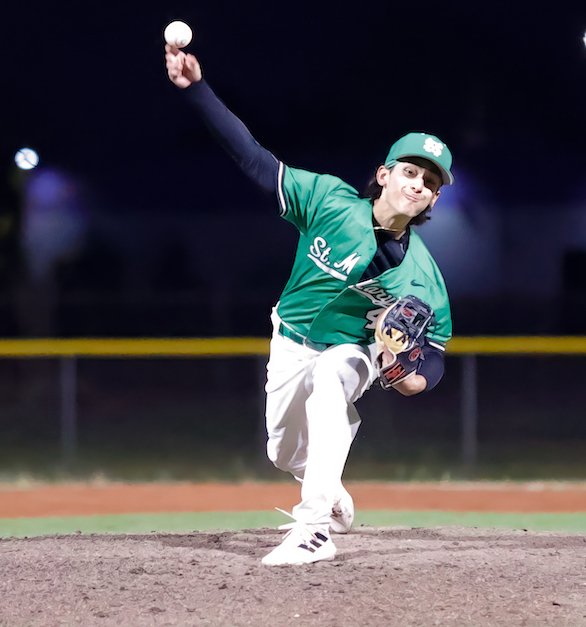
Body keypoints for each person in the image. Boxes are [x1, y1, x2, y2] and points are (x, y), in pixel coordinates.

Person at [165, 44, 453, 566]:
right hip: (290, 339)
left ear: (434, 201)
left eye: (431, 183)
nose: (420, 184)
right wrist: (198, 90)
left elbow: (433, 354)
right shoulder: (326, 201)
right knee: (282, 453)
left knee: (329, 385)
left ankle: (314, 531)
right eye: (412, 171)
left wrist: (413, 379)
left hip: (353, 352)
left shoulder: (423, 275)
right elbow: (252, 158)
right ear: (384, 175)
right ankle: (332, 488)